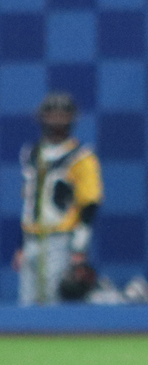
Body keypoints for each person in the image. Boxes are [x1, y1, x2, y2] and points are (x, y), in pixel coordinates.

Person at [12, 92, 104, 306]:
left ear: (72, 118)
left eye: (62, 115)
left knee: (55, 304)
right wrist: (21, 244)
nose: (57, 121)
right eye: (52, 115)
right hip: (32, 236)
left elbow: (90, 203)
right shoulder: (32, 152)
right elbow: (29, 202)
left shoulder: (82, 156)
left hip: (60, 238)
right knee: (26, 303)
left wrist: (79, 248)